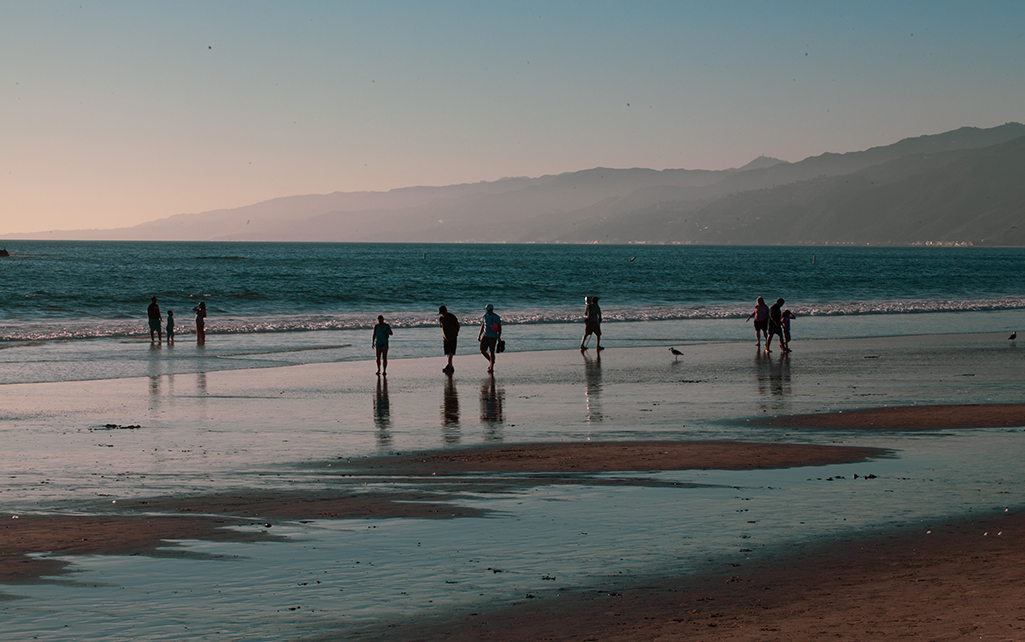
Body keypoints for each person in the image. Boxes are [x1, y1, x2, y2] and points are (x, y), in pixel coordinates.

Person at [478, 303, 502, 374]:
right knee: (482, 350)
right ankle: (491, 361)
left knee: (491, 351)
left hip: (493, 337)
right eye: (486, 310)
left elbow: (499, 327)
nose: (487, 311)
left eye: (488, 309)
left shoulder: (496, 317)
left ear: (491, 309)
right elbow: (483, 325)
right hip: (485, 335)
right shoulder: (485, 316)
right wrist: (479, 335)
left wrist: (499, 337)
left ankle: (491, 367)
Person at [438, 305, 460, 373]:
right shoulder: (441, 318)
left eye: (443, 313)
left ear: (446, 311)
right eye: (441, 313)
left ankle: (448, 365)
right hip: (445, 338)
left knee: (451, 352)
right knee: (447, 353)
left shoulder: (452, 317)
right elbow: (441, 327)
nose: (442, 314)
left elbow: (458, 326)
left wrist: (456, 333)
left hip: (452, 337)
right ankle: (450, 365)